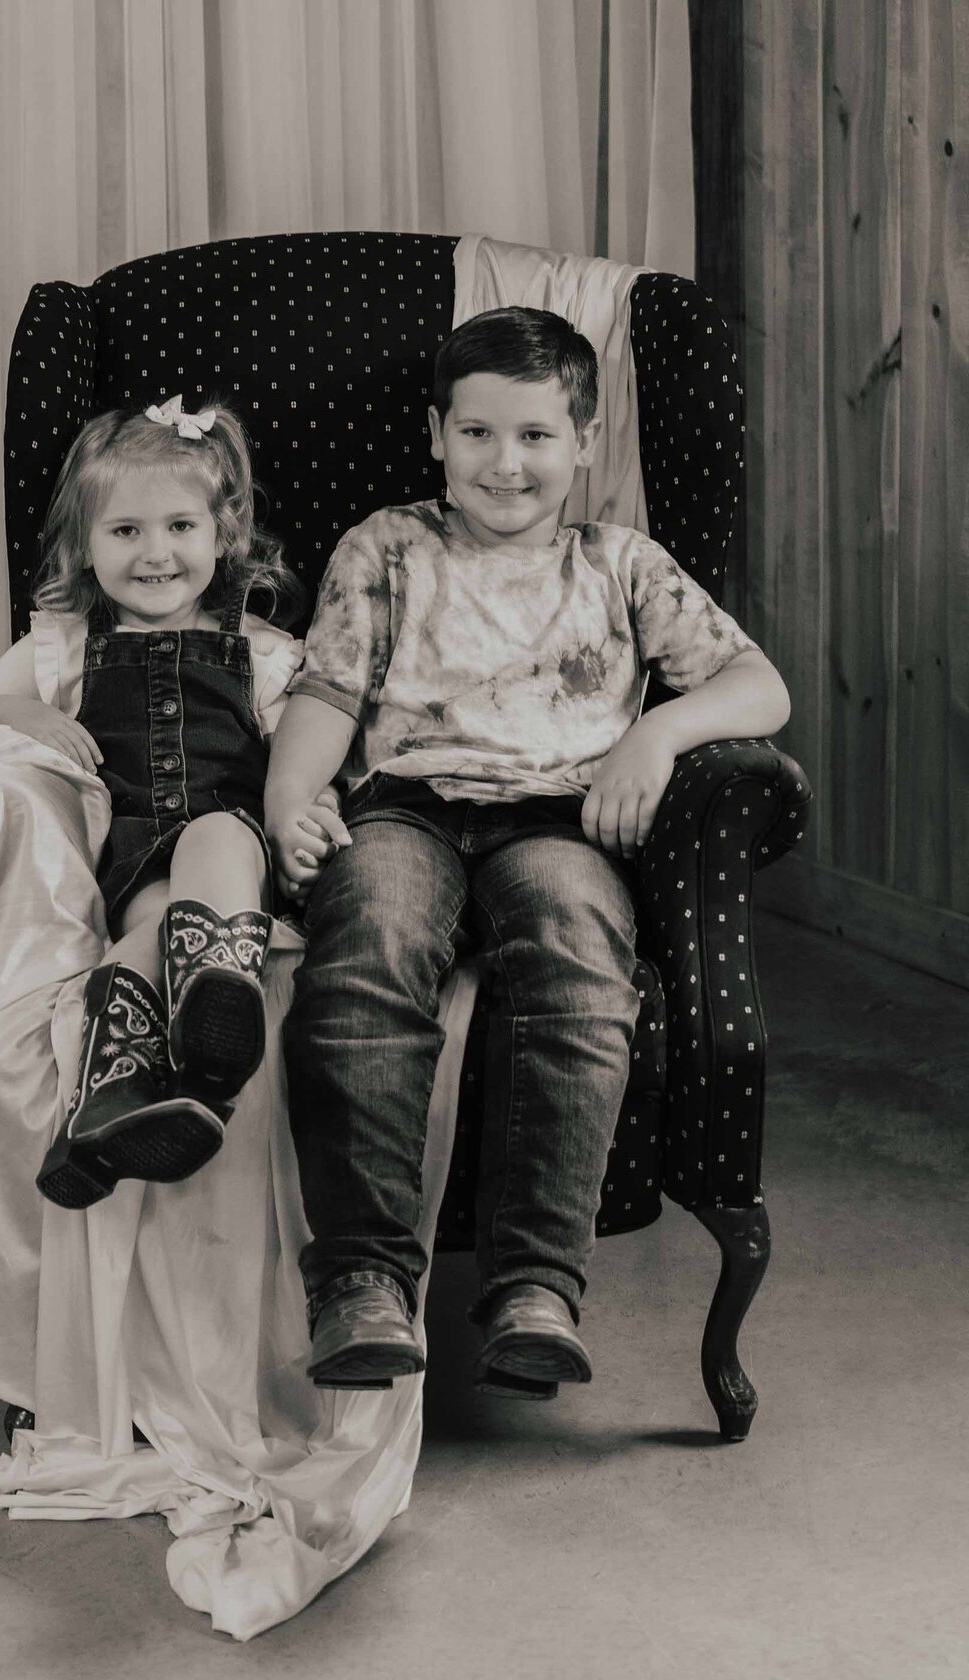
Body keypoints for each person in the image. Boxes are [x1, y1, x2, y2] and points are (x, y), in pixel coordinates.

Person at [265, 306, 792, 1398]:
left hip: (558, 820)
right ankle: (361, 1280)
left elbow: (762, 687)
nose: (506, 465)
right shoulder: (388, 545)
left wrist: (657, 729)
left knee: (580, 966)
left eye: (537, 437)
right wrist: (290, 798)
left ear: (585, 442)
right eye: (478, 435)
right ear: (436, 435)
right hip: (405, 806)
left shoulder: (620, 564)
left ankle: (534, 1287)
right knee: (368, 947)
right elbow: (325, 688)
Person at [0, 397, 350, 1211]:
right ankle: (112, 1103)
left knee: (218, 833)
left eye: (180, 527)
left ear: (223, 537)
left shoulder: (259, 653)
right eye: (126, 532)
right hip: (134, 864)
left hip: (235, 858)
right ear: (86, 544)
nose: (156, 554)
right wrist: (16, 711)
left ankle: (214, 1012)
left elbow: (306, 754)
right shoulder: (59, 648)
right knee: (151, 926)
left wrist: (308, 810)